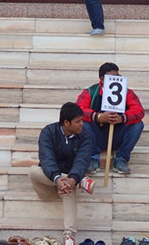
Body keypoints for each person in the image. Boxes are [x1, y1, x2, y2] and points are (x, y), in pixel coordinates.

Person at [29, 101, 99, 245]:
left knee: (68, 189)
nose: (82, 124)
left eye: (82, 121)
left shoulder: (85, 135)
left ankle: (69, 237)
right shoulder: (48, 132)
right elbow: (46, 158)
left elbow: (82, 159)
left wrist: (71, 179)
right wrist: (59, 179)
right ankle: (80, 181)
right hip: (48, 185)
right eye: (78, 121)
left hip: (69, 183)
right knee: (33, 171)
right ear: (66, 123)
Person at [76, 61, 146, 175]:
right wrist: (98, 117)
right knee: (83, 123)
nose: (116, 80)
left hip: (118, 135)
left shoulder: (126, 92)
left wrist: (123, 118)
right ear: (102, 79)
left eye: (117, 77)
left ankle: (121, 159)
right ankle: (93, 158)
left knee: (138, 125)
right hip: (97, 135)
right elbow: (78, 110)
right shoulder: (90, 92)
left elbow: (139, 111)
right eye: (112, 78)